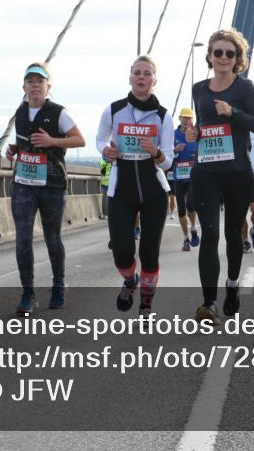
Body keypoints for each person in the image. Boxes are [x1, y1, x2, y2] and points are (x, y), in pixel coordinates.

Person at [190, 29, 254, 323]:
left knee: (233, 233)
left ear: (238, 59)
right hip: (206, 171)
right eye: (218, 52)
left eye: (230, 53)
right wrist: (194, 132)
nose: (223, 58)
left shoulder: (244, 89)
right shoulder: (199, 89)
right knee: (210, 233)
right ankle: (208, 303)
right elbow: (202, 125)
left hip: (237, 172)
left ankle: (233, 285)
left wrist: (233, 112)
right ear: (209, 56)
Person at [5, 63, 86, 314]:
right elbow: (23, 141)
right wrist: (14, 150)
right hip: (23, 184)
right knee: (23, 240)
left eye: (40, 81)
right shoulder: (19, 112)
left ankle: (59, 284)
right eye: (30, 81)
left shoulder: (59, 113)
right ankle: (28, 293)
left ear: (48, 86)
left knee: (52, 238)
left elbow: (79, 139)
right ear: (24, 87)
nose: (35, 85)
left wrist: (52, 141)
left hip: (52, 185)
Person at [97, 55, 174, 316]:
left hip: (154, 191)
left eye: (147, 73)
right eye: (137, 73)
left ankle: (146, 303)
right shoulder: (114, 109)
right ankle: (130, 280)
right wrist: (105, 151)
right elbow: (100, 140)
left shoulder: (163, 116)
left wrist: (156, 153)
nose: (142, 77)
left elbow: (168, 163)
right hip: (121, 189)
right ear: (130, 77)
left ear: (154, 80)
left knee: (149, 253)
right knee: (121, 250)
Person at [173, 107, 200, 248]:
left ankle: (194, 228)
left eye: (189, 118)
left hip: (193, 176)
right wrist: (175, 151)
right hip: (179, 176)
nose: (186, 121)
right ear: (179, 119)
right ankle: (185, 239)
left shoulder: (195, 134)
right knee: (181, 209)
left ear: (192, 120)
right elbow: (166, 155)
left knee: (190, 205)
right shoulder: (173, 134)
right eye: (184, 118)